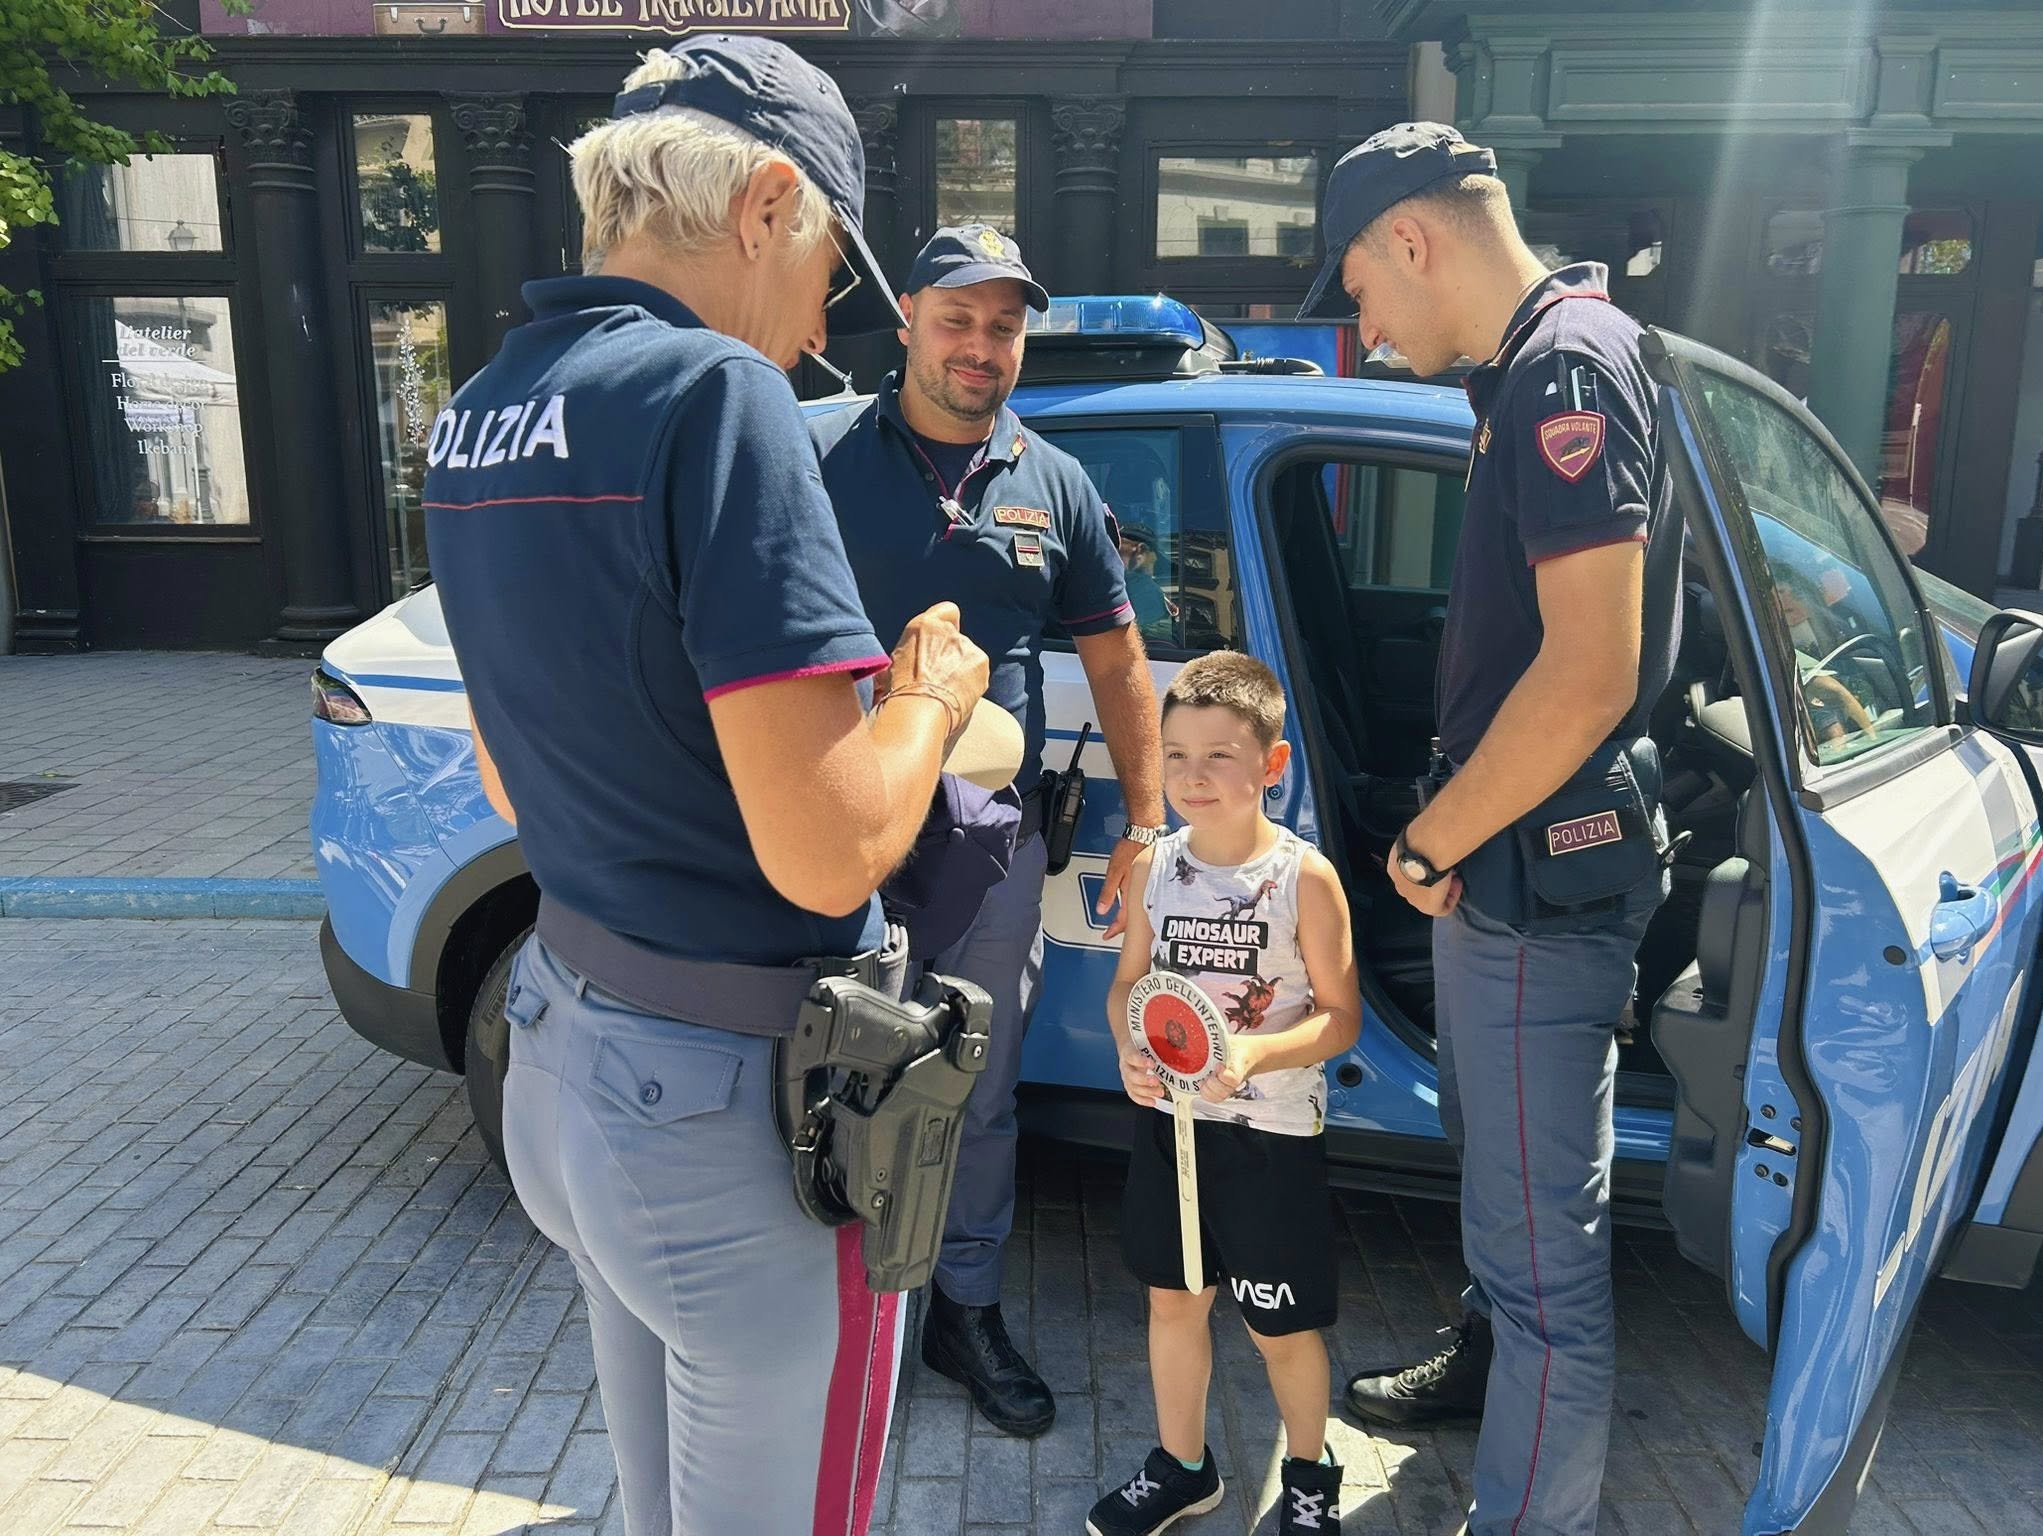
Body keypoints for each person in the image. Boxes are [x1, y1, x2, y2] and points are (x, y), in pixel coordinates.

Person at [422, 37, 990, 1535]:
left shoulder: (479, 406)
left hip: (564, 1054)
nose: (817, 331)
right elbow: (828, 852)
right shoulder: (714, 392)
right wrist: (930, 699)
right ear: (767, 203)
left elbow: (507, 758)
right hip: (723, 1112)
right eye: (827, 273)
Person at [1298, 123, 1682, 1535]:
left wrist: (1424, 846)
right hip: (1524, 868)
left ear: (1413, 236)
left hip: (1527, 882)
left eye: (1358, 287)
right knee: (1519, 1235)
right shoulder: (1544, 359)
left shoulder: (1562, 368)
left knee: (1543, 1278)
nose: (1365, 323)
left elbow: (1589, 671)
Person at [811, 224, 1166, 1437]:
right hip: (832, 815)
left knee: (971, 1080)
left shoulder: (1054, 481)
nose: (980, 346)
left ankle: (960, 1306)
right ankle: (826, 1304)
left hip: (986, 841)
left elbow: (1119, 666)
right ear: (906, 316)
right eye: (957, 318)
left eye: (1003, 326)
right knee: (823, 1062)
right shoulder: (812, 452)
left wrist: (1149, 824)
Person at [1089, 650, 1359, 1536]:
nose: (1191, 777)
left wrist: (1255, 1052)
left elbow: (1341, 1018)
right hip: (1173, 1129)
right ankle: (1183, 1465)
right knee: (1173, 1300)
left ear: (1271, 767)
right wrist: (1130, 1044)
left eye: (1218, 756)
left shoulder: (1302, 879)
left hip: (1269, 1137)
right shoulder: (1157, 868)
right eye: (1174, 755)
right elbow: (1131, 981)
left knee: (1279, 1327)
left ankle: (1312, 1471)